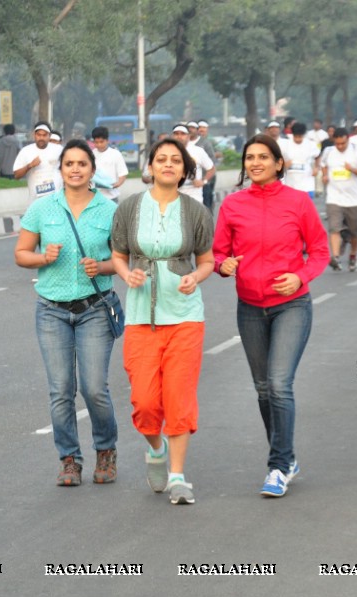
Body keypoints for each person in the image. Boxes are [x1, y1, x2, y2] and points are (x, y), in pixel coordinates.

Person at [213, 133, 329, 498]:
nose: (256, 163)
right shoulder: (232, 204)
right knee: (263, 389)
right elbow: (218, 254)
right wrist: (224, 265)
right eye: (250, 157)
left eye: (264, 157)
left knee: (279, 384)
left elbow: (321, 251)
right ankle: (287, 457)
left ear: (279, 163)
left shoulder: (298, 203)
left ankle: (278, 467)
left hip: (292, 305)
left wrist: (300, 276)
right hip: (250, 307)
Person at [111, 138, 215, 505]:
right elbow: (118, 254)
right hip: (141, 317)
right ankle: (155, 449)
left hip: (186, 316)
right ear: (150, 167)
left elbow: (207, 260)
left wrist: (196, 278)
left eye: (175, 160)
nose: (168, 165)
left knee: (179, 397)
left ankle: (177, 476)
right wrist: (126, 275)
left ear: (185, 170)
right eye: (161, 159)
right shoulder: (128, 209)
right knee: (144, 402)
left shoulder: (196, 212)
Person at [14, 140, 120, 486]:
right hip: (51, 311)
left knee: (94, 389)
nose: (75, 169)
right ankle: (69, 459)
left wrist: (101, 266)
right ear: (60, 170)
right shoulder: (43, 209)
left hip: (94, 309)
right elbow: (21, 253)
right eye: (69, 164)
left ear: (92, 171)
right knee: (61, 389)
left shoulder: (108, 211)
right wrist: (43, 258)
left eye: (82, 164)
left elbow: (122, 260)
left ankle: (105, 449)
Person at [321, 128, 357, 272]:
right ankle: (335, 257)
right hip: (334, 197)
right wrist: (324, 175)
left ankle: (353, 255)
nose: (340, 146)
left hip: (353, 199)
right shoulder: (329, 152)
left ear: (347, 139)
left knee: (354, 231)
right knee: (334, 228)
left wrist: (352, 169)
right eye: (337, 144)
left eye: (343, 143)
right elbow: (324, 165)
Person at [14, 122, 63, 204]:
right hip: (35, 201)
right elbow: (17, 175)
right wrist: (30, 166)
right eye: (39, 135)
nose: (41, 138)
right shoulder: (26, 151)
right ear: (34, 135)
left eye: (44, 135)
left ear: (49, 136)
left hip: (56, 200)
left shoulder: (59, 149)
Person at [281, 121, 321, 199]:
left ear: (303, 135)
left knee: (306, 209)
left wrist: (316, 167)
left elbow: (318, 156)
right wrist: (284, 164)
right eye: (296, 136)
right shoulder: (285, 145)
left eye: (300, 136)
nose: (298, 139)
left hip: (307, 185)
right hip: (290, 184)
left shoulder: (311, 144)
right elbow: (278, 160)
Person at [90, 126, 128, 203]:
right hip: (95, 196)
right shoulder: (91, 154)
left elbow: (123, 173)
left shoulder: (115, 154)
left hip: (111, 197)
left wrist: (116, 185)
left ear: (107, 140)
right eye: (96, 142)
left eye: (101, 142)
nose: (99, 145)